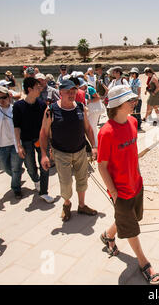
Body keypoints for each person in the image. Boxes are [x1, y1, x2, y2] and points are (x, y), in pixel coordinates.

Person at [97, 85, 159, 285]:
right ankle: (143, 262)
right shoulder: (106, 132)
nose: (134, 102)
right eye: (130, 100)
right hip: (121, 191)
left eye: (133, 99)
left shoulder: (133, 121)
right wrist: (114, 192)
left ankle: (108, 236)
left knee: (131, 218)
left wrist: (139, 177)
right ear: (117, 105)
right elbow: (102, 166)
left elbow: (132, 156)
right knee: (132, 227)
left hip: (137, 184)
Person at [40, 79, 98, 222]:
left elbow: (88, 128)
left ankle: (82, 205)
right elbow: (44, 133)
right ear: (60, 93)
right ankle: (67, 204)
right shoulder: (51, 110)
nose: (71, 94)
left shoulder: (80, 107)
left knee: (82, 179)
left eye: (73, 91)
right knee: (65, 183)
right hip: (61, 153)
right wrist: (43, 155)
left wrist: (94, 146)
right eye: (67, 92)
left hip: (80, 151)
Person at [13, 77, 54, 202]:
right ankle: (36, 180)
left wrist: (51, 143)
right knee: (30, 166)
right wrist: (19, 145)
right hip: (26, 141)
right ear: (29, 89)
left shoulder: (42, 105)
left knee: (45, 165)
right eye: (37, 87)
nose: (40, 89)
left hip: (41, 140)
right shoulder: (18, 106)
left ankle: (43, 191)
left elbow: (47, 125)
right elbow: (17, 127)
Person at [129, 68, 144, 132]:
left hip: (137, 99)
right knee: (132, 113)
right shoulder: (131, 81)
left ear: (136, 74)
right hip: (132, 99)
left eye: (133, 73)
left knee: (137, 113)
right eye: (131, 73)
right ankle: (133, 125)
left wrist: (137, 99)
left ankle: (139, 126)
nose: (132, 74)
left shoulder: (138, 81)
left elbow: (139, 91)